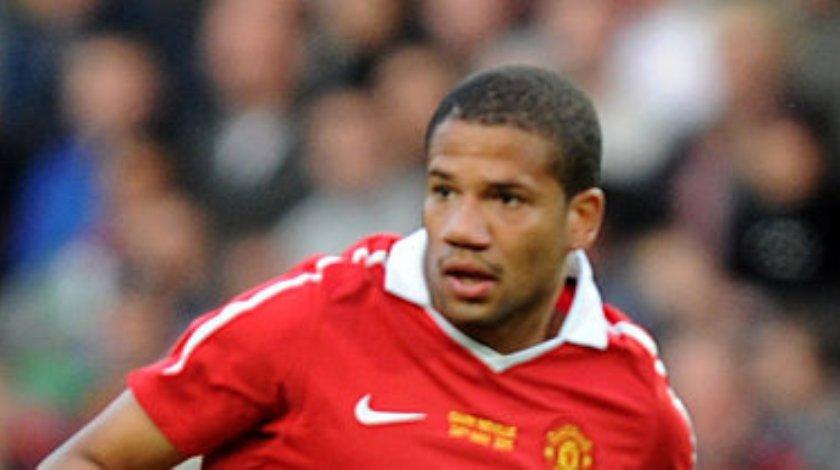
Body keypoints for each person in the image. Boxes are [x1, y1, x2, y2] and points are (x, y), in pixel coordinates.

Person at [40, 65, 695, 468]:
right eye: (444, 191)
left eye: (506, 199)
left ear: (582, 218)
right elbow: (91, 458)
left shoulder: (637, 410)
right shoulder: (311, 315)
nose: (462, 230)